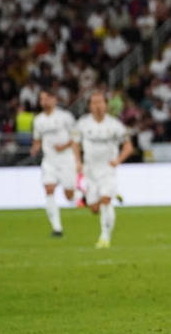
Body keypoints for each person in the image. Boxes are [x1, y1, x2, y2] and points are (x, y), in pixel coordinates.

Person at [72, 92, 133, 249]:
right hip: (90, 170)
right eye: (94, 103)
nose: (98, 106)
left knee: (106, 200)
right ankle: (110, 194)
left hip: (107, 169)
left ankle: (105, 238)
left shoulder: (115, 125)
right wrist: (78, 162)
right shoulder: (82, 124)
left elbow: (128, 146)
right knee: (94, 208)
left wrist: (118, 160)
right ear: (90, 106)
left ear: (106, 105)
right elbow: (75, 143)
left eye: (100, 102)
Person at [31, 89, 77, 236]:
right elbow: (37, 140)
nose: (43, 102)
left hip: (66, 160)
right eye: (41, 99)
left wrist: (65, 146)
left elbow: (76, 136)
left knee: (68, 195)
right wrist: (35, 148)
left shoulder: (65, 117)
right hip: (49, 161)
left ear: (54, 99)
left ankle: (83, 198)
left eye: (46, 98)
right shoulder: (38, 120)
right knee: (49, 190)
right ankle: (57, 228)